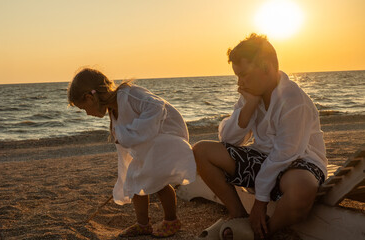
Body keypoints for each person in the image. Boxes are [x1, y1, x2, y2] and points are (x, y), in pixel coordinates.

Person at [193, 33, 327, 239]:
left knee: (302, 189)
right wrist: (249, 106)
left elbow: (286, 154)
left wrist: (260, 203)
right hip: (263, 159)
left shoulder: (293, 99)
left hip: (300, 162)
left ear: (266, 67)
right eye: (237, 75)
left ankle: (262, 233)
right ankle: (238, 216)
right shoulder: (251, 93)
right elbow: (229, 140)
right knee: (201, 150)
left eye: (244, 74)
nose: (240, 82)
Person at [67, 68, 196, 238]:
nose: (87, 113)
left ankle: (171, 221)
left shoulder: (130, 95)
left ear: (90, 97)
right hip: (151, 144)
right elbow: (126, 138)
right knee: (134, 177)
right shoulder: (113, 109)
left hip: (167, 138)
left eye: (84, 108)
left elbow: (157, 106)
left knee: (158, 181)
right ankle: (143, 225)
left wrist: (133, 133)